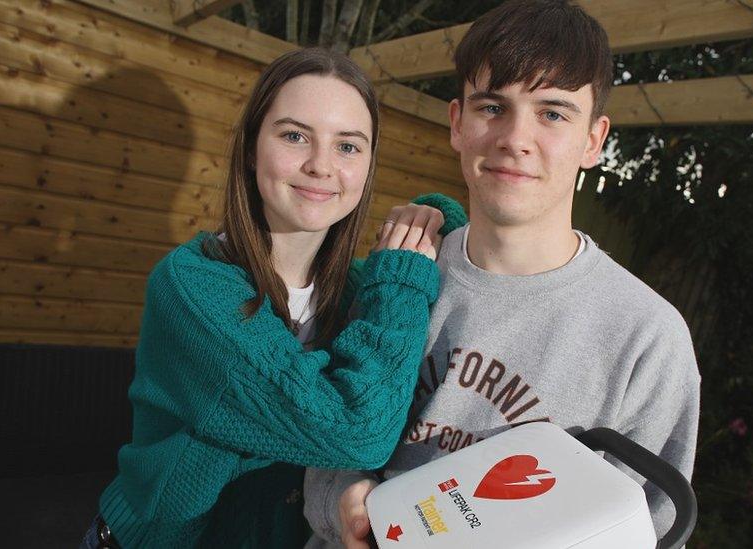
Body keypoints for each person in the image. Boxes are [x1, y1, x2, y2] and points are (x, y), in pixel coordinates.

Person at [303, 1, 701, 547]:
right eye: (493, 107)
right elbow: (322, 446)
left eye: (553, 113)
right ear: (457, 124)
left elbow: (650, 530)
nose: (516, 138)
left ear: (593, 140)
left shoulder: (647, 337)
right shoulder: (396, 276)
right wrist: (344, 502)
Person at [81, 48, 465, 548]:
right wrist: (402, 273)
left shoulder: (351, 286)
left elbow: (454, 252)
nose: (321, 166)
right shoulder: (195, 287)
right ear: (250, 149)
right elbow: (357, 430)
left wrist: (433, 216)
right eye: (294, 136)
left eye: (348, 146)